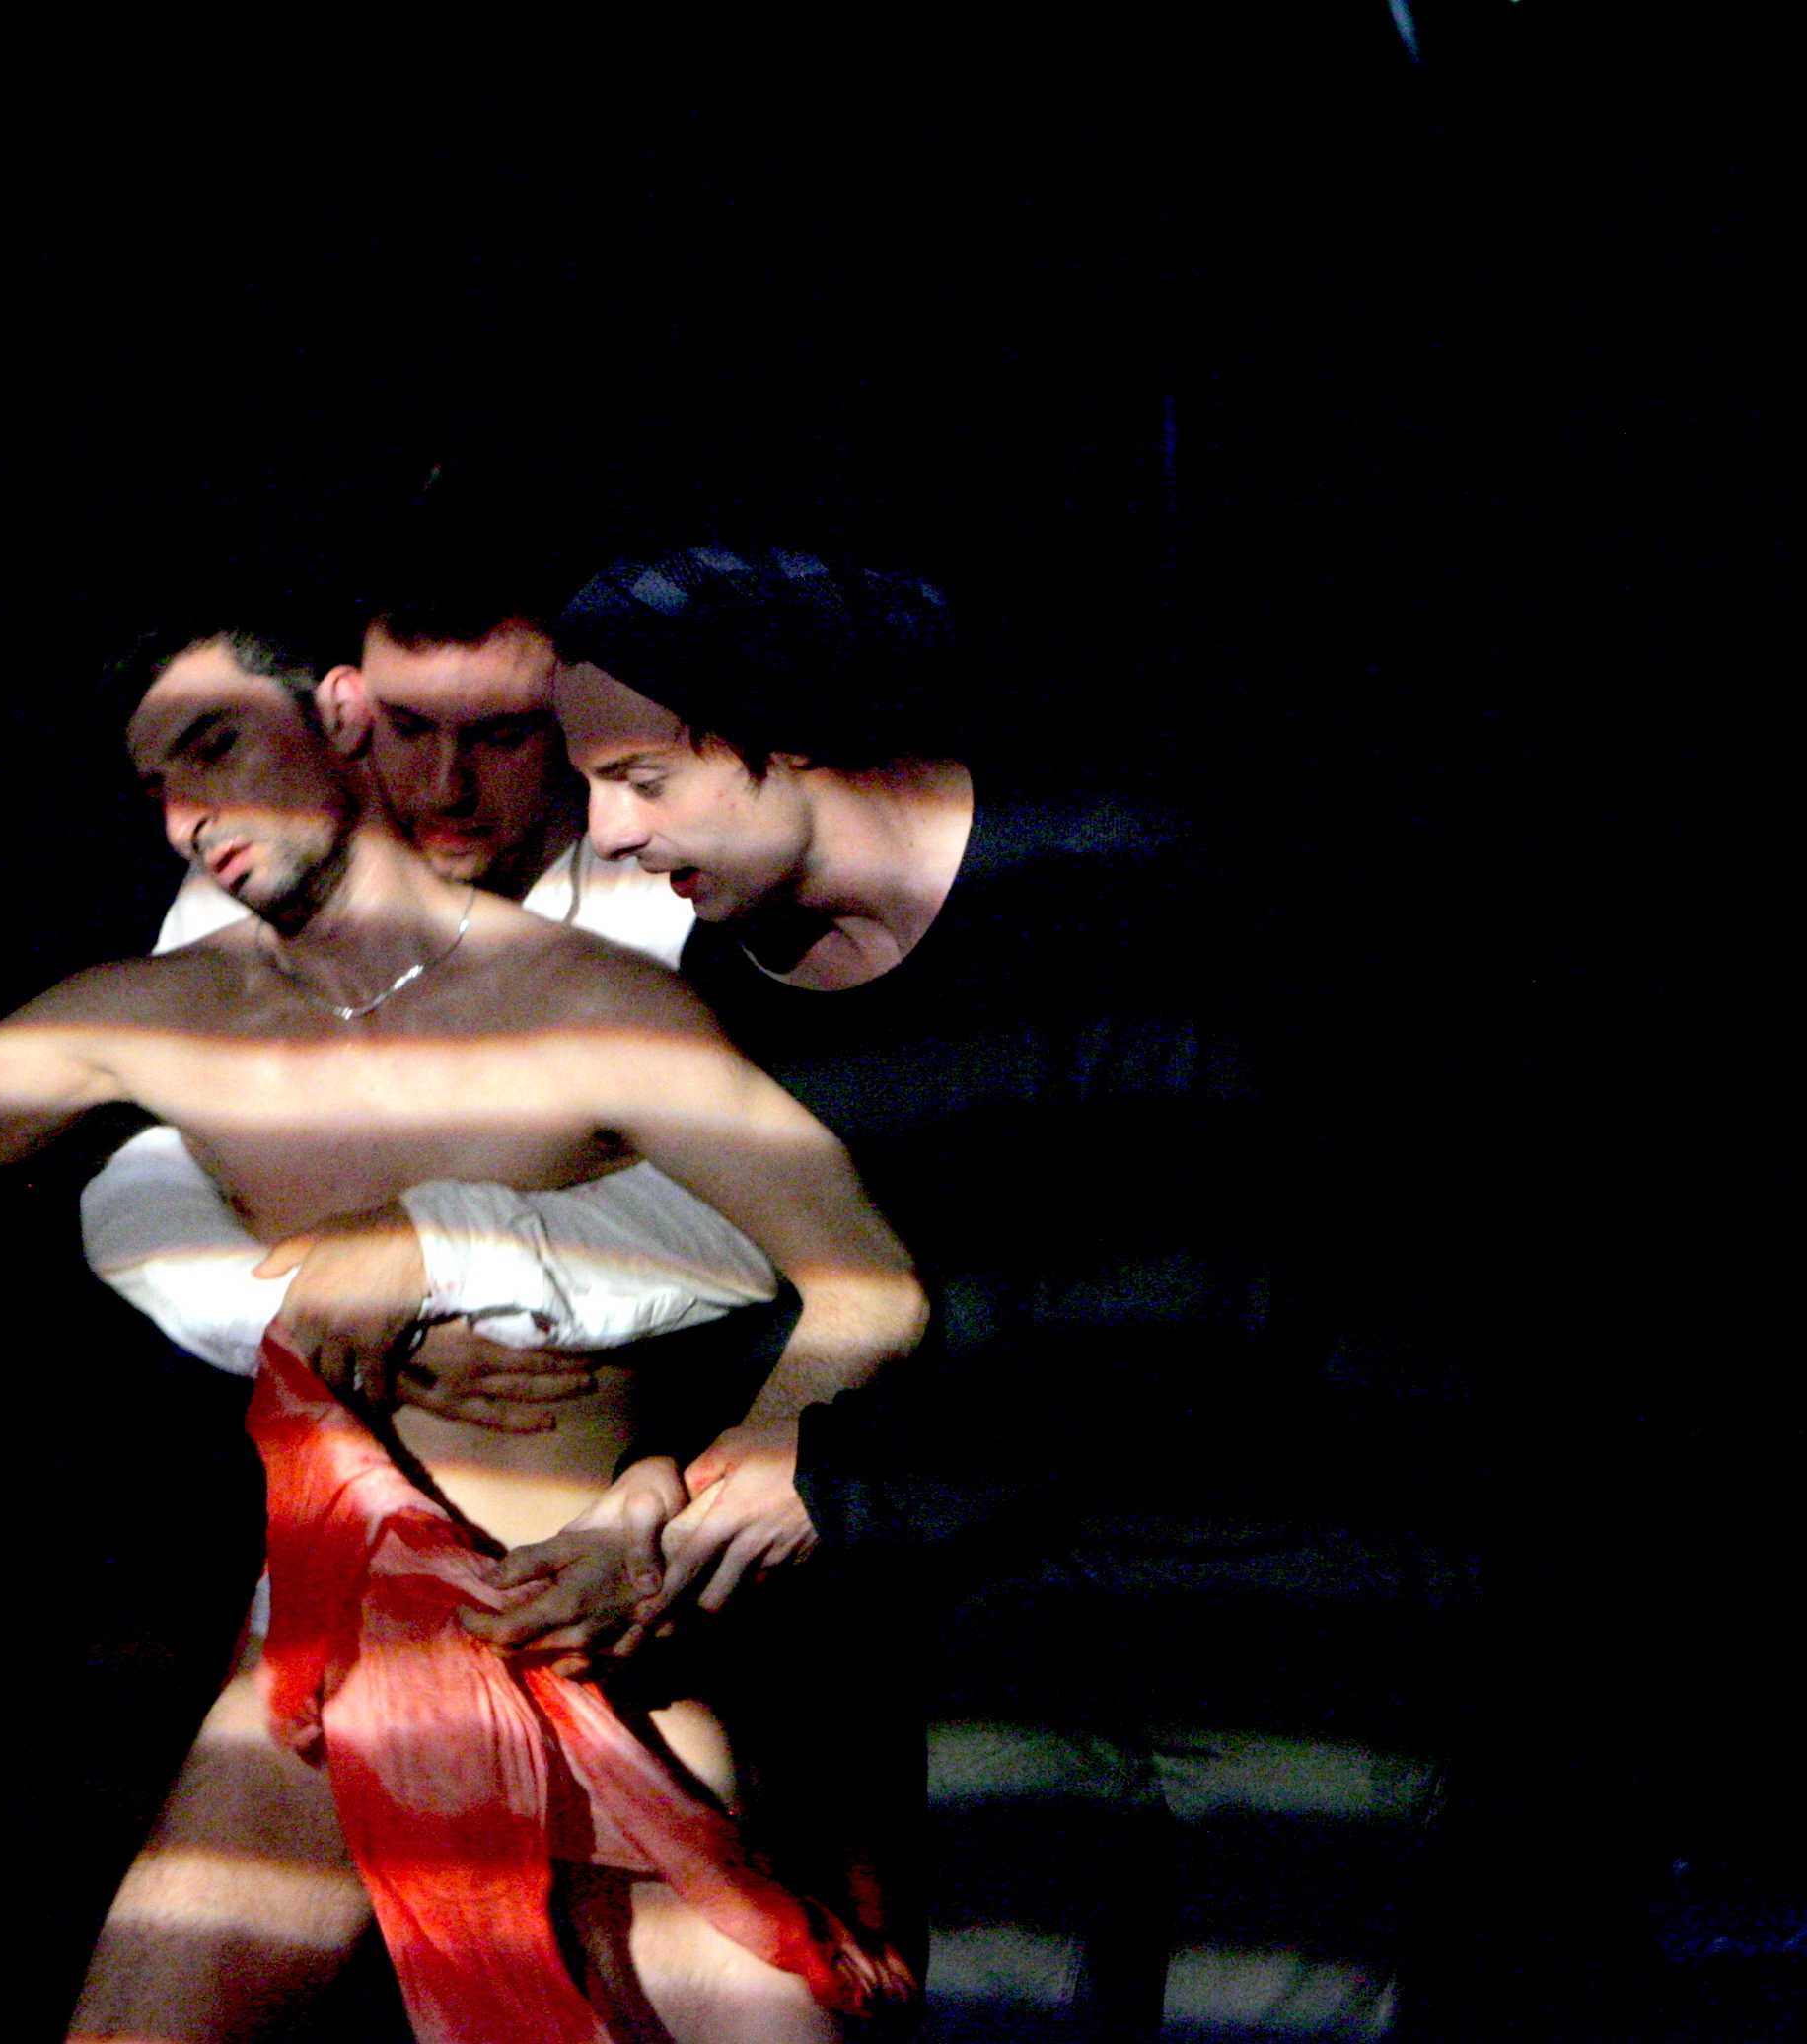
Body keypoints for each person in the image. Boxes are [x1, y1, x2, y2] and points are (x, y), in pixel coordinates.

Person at [0, 621, 928, 2043]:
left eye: (219, 745)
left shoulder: (591, 1000)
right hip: (324, 1648)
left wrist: (691, 1508)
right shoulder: (165, 1012)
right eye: (160, 781)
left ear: (342, 720)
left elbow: (869, 1285)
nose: (190, 814)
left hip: (581, 1628)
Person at [512, 544, 1448, 2042]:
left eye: (641, 778)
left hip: (1277, 1593)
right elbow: (786, 1291)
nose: (611, 834)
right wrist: (666, 1471)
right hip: (1002, 1607)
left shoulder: (1118, 884)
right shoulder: (742, 982)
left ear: (786, 729)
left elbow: (1190, 1307)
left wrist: (841, 1489)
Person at [74, 592, 801, 2038]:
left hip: (617, 1587)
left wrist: (446, 1251)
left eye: (506, 738)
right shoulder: (269, 879)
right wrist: (331, 1303)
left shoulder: (672, 876)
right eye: (407, 731)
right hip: (346, 1592)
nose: (446, 784)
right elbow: (141, 1182)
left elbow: (765, 1224)